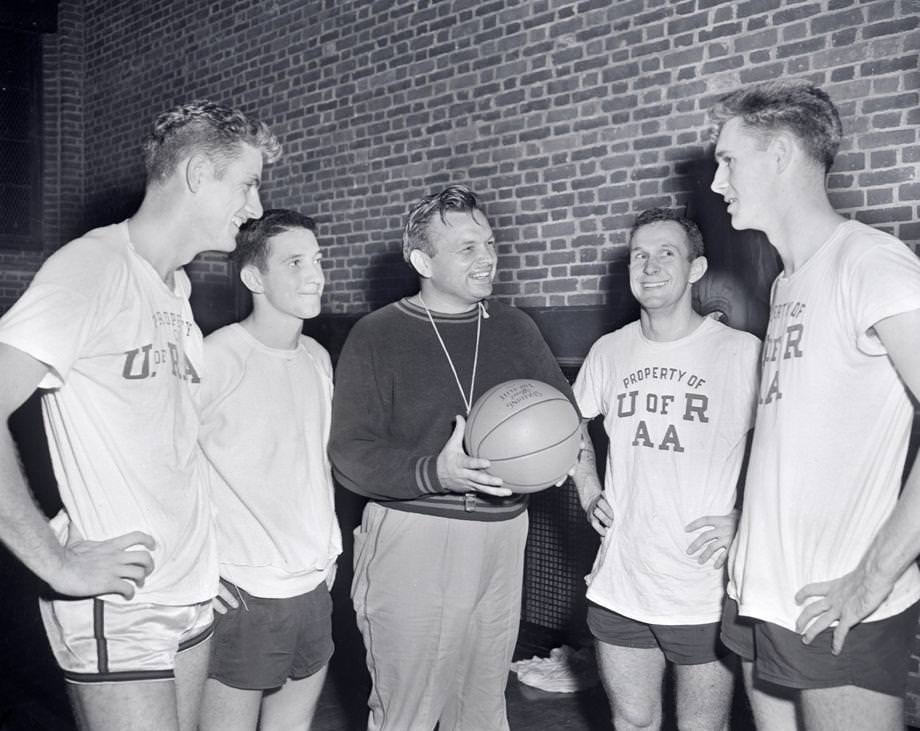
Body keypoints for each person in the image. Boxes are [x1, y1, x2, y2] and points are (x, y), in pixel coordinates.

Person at [0, 100, 279, 731]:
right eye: (248, 184)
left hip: (190, 590)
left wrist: (208, 561)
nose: (256, 208)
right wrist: (54, 560)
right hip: (121, 600)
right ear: (196, 176)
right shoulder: (91, 269)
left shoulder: (174, 289)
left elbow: (170, 447)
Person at [711, 80, 920, 730]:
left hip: (831, 599)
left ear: (778, 157)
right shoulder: (786, 282)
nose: (718, 183)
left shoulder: (872, 263)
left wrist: (873, 575)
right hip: (761, 589)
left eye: (728, 160)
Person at [328, 184, 576, 731]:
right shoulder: (378, 334)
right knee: (408, 712)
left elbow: (565, 415)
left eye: (489, 242)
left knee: (483, 709)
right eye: (466, 248)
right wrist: (434, 473)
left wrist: (571, 461)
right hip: (416, 534)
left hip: (504, 534)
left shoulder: (515, 326)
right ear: (422, 260)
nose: (487, 257)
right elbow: (349, 455)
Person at [572, 208, 760, 730]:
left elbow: (794, 448)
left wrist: (747, 515)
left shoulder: (742, 353)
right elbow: (567, 426)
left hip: (701, 586)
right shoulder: (609, 351)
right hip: (622, 579)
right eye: (639, 255)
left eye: (666, 253)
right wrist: (588, 486)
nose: (650, 266)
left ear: (696, 269)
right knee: (632, 722)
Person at [197, 209, 342, 731]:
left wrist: (325, 555)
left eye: (319, 260)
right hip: (244, 588)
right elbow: (165, 464)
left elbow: (310, 465)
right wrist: (193, 563)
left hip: (311, 584)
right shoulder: (216, 357)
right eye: (296, 262)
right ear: (254, 277)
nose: (316, 275)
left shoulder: (318, 358)